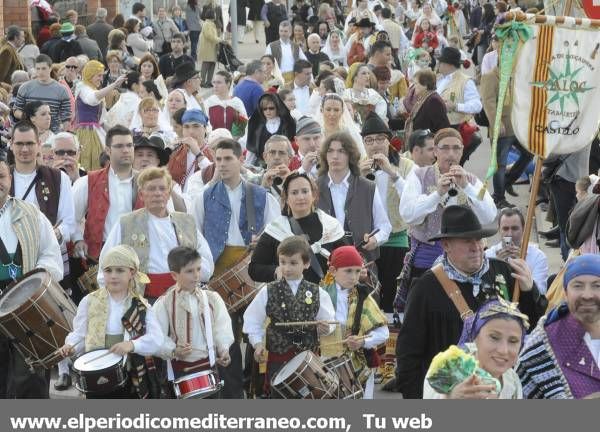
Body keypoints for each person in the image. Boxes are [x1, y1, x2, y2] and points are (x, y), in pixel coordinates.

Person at [394, 204, 546, 398]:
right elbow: (408, 356)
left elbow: (532, 327)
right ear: (446, 245)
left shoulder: (504, 272)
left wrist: (529, 291)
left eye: (478, 239)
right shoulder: (426, 288)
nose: (476, 247)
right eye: (467, 241)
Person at [59, 245, 164, 399]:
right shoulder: (89, 301)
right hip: (95, 375)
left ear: (132, 272)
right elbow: (81, 335)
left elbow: (157, 339)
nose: (113, 276)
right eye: (108, 270)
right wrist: (71, 347)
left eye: (120, 270)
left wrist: (132, 345)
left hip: (128, 378)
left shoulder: (141, 306)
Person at [398, 128, 496, 293]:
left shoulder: (470, 180)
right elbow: (408, 214)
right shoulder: (419, 176)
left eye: (456, 148)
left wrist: (467, 187)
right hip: (426, 257)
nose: (450, 154)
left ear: (462, 151)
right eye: (445, 148)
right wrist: (437, 194)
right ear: (435, 151)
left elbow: (489, 215)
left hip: (465, 258)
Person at [0, 141, 63, 398]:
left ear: (9, 177)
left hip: (28, 311)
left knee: (31, 386)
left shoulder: (31, 214)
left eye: (1, 176)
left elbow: (51, 256)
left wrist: (29, 288)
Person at [100, 167, 212, 303]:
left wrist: (190, 276)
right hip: (142, 299)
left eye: (162, 188)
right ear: (141, 194)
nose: (157, 193)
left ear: (169, 193)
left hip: (184, 297)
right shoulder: (126, 223)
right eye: (151, 189)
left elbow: (206, 263)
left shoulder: (187, 222)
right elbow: (106, 261)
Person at [243, 236, 336, 395]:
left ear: (306, 264)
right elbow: (252, 321)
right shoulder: (267, 291)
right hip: (277, 360)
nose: (286, 268)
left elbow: (330, 323)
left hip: (308, 361)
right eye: (282, 262)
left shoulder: (318, 292)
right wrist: (258, 344)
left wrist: (325, 328)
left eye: (293, 263)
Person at [153, 246, 233, 397]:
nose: (196, 275)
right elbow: (156, 336)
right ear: (174, 275)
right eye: (189, 271)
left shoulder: (212, 298)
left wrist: (223, 349)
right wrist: (173, 350)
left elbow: (222, 327)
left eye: (198, 269)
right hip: (180, 371)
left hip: (208, 368)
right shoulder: (164, 303)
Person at [518, 254, 600, 399]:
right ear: (566, 293)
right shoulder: (541, 347)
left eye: (597, 286)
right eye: (578, 286)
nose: (587, 295)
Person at [359, 112, 413, 313]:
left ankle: (390, 332)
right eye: (369, 140)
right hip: (365, 238)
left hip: (396, 236)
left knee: (392, 289)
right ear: (363, 143)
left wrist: (391, 172)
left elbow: (412, 197)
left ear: (388, 141)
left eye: (380, 139)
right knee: (366, 291)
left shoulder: (405, 165)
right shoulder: (357, 166)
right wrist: (358, 176)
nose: (375, 145)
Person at [250, 171, 346, 284]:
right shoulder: (277, 229)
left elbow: (348, 260)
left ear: (314, 195)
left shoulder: (331, 226)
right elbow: (254, 269)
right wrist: (277, 271)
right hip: (288, 297)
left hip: (327, 297)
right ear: (286, 198)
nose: (300, 197)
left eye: (305, 191)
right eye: (294, 193)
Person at [423, 297, 529, 399]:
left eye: (513, 341)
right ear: (475, 336)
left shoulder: (513, 381)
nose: (503, 350)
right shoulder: (448, 369)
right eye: (494, 337)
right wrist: (450, 398)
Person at [322, 246, 389, 398]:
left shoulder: (364, 296)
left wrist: (361, 342)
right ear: (333, 271)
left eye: (358, 271)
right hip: (325, 363)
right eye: (348, 271)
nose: (353, 277)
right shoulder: (320, 294)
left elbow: (383, 333)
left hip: (359, 364)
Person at [317, 131, 392, 264]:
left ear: (350, 155)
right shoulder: (314, 187)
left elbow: (384, 225)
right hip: (323, 264)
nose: (335, 156)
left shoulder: (368, 187)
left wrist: (375, 240)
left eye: (341, 151)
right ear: (324, 155)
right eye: (330, 151)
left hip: (361, 266)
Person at [72, 125, 144, 261]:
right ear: (108, 150)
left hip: (138, 256)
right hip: (100, 257)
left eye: (129, 145)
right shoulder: (88, 181)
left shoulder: (147, 182)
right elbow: (71, 218)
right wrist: (77, 239)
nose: (126, 150)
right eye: (119, 146)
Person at [480, 64, 532, 209]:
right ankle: (498, 197)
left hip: (516, 126)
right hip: (501, 127)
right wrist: (496, 122)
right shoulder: (490, 77)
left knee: (529, 153)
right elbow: (488, 102)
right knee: (500, 164)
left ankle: (507, 181)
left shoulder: (515, 75)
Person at [74, 60, 126, 171]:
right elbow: (92, 99)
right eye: (98, 75)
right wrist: (114, 85)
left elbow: (102, 120)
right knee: (89, 164)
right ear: (90, 74)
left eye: (102, 76)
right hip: (85, 133)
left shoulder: (92, 90)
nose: (101, 79)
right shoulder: (82, 88)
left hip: (97, 131)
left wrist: (116, 132)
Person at [485, 208, 549, 294]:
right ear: (499, 230)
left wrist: (523, 266)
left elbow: (541, 293)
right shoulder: (488, 255)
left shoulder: (538, 257)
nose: (510, 234)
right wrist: (497, 267)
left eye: (515, 229)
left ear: (523, 230)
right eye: (505, 229)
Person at [436, 47, 482, 166]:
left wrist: (456, 106)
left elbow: (477, 105)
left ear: (448, 64)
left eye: (440, 62)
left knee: (451, 165)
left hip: (455, 128)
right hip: (440, 127)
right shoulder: (439, 79)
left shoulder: (465, 81)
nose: (438, 64)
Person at [14, 54, 71, 133]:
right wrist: (31, 118)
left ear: (50, 68)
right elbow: (16, 110)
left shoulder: (62, 90)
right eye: (38, 69)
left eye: (44, 68)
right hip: (30, 133)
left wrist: (63, 134)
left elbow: (66, 117)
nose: (40, 72)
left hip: (53, 134)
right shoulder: (25, 88)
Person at [166, 109, 213, 193]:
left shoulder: (212, 152)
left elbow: (213, 177)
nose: (191, 132)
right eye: (186, 127)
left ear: (205, 129)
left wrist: (198, 153)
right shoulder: (176, 152)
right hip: (178, 201)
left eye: (196, 126)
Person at [246, 93, 296, 167]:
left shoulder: (286, 124)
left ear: (277, 107)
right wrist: (248, 166)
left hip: (283, 164)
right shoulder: (256, 125)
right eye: (264, 109)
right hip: (261, 165)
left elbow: (291, 146)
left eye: (271, 108)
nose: (267, 111)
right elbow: (252, 149)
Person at [402, 69, 450, 138]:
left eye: (416, 83)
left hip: (428, 144)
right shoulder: (424, 98)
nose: (413, 87)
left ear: (425, 85)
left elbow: (442, 128)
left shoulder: (433, 101)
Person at [204, 71, 248, 138]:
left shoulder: (236, 102)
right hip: (214, 140)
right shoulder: (209, 102)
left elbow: (244, 124)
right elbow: (205, 124)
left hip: (233, 141)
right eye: (214, 82)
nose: (215, 86)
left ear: (228, 84)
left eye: (219, 82)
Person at [198, 7, 221, 89]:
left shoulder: (211, 23)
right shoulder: (207, 24)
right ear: (211, 15)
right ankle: (202, 81)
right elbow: (209, 36)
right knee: (206, 64)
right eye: (214, 14)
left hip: (211, 47)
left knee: (212, 64)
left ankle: (209, 81)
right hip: (207, 48)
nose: (215, 15)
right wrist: (219, 40)